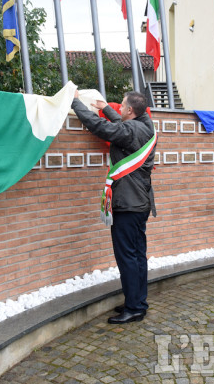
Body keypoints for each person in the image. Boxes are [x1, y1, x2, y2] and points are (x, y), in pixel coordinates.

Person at [71, 91, 157, 324]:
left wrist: (76, 103)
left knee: (128, 257)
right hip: (139, 203)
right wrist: (106, 108)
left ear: (130, 111)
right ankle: (137, 301)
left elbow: (101, 128)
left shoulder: (131, 130)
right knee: (137, 256)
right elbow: (122, 126)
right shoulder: (145, 124)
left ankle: (135, 308)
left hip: (128, 205)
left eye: (121, 106)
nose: (118, 108)